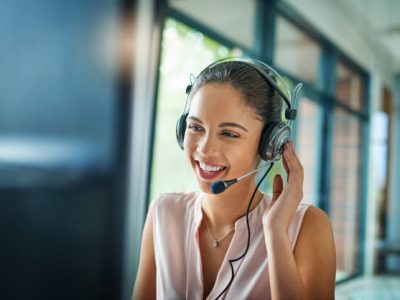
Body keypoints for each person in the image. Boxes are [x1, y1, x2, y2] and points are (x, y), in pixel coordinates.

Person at [133, 58, 336, 299]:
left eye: (229, 133)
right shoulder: (164, 212)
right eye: (195, 127)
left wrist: (276, 232)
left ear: (270, 144)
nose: (205, 149)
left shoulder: (308, 227)